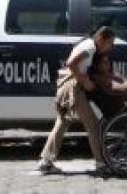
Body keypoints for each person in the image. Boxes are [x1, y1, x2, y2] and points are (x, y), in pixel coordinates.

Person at [38, 26, 116, 175]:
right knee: (93, 124)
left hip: (66, 86)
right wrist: (85, 81)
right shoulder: (90, 48)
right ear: (101, 39)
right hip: (73, 88)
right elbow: (71, 63)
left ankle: (45, 161)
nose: (111, 47)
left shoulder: (88, 44)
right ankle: (100, 163)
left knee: (62, 122)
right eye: (110, 43)